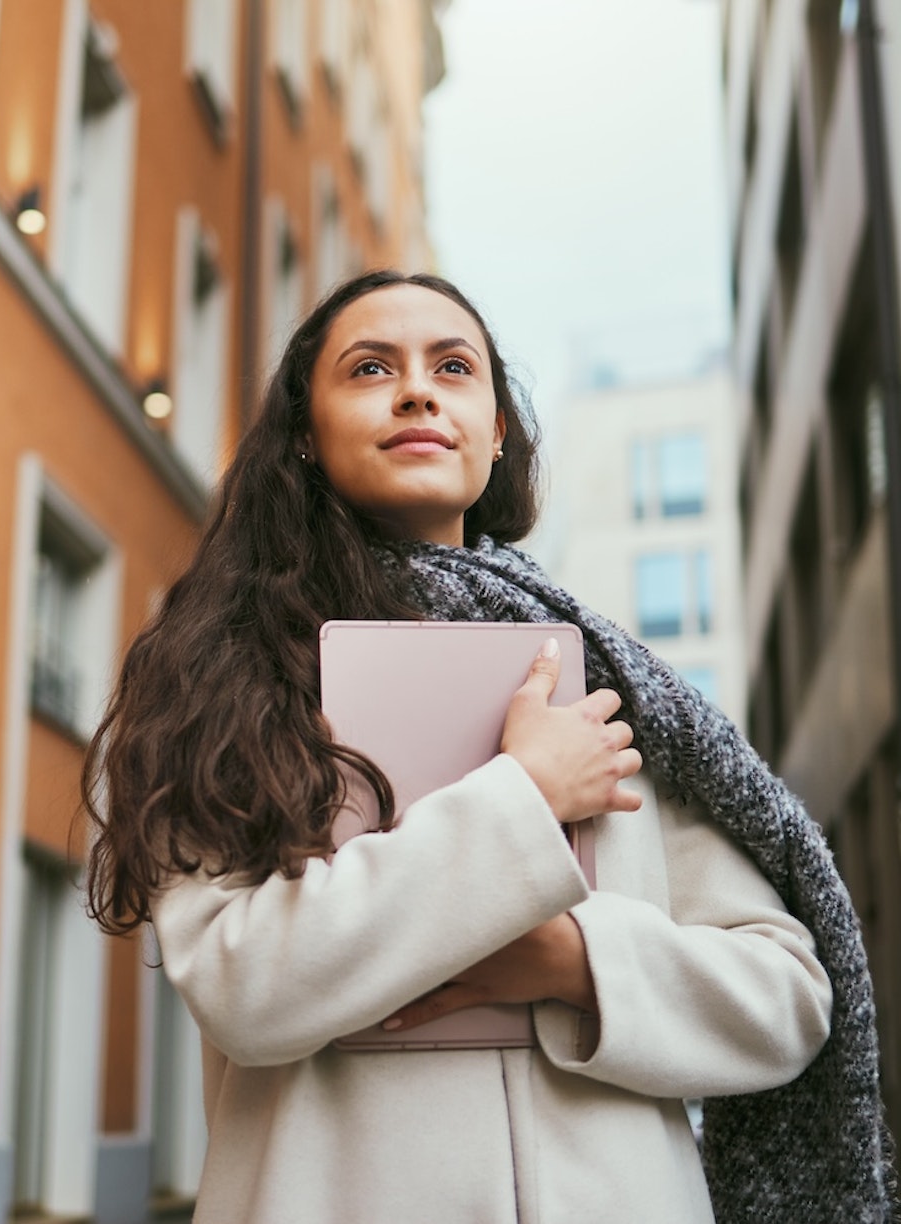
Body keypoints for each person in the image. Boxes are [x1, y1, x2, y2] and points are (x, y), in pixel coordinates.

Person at [82, 270, 896, 1223]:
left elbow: (788, 996)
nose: (417, 390)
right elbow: (244, 984)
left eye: (453, 366)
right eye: (371, 367)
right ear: (304, 432)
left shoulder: (619, 691)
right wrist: (520, 799)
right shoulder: (226, 676)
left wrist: (572, 962)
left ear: (497, 429)